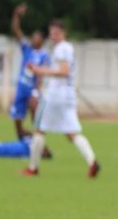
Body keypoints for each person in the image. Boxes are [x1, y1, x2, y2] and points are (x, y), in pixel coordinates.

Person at [21, 20, 101, 178]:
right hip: (68, 96)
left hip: (55, 96)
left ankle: (33, 167)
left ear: (64, 33)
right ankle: (92, 162)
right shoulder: (68, 47)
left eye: (56, 33)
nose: (53, 36)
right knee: (72, 133)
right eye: (51, 33)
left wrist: (40, 70)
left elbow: (63, 71)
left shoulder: (61, 49)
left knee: (39, 129)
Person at [9, 4, 51, 139]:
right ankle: (23, 138)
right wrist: (16, 14)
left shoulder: (44, 55)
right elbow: (16, 30)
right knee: (17, 118)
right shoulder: (27, 48)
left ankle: (39, 139)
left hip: (33, 89)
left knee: (36, 113)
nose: (33, 38)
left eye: (36, 37)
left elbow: (42, 73)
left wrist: (38, 89)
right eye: (32, 36)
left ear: (42, 40)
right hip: (22, 87)